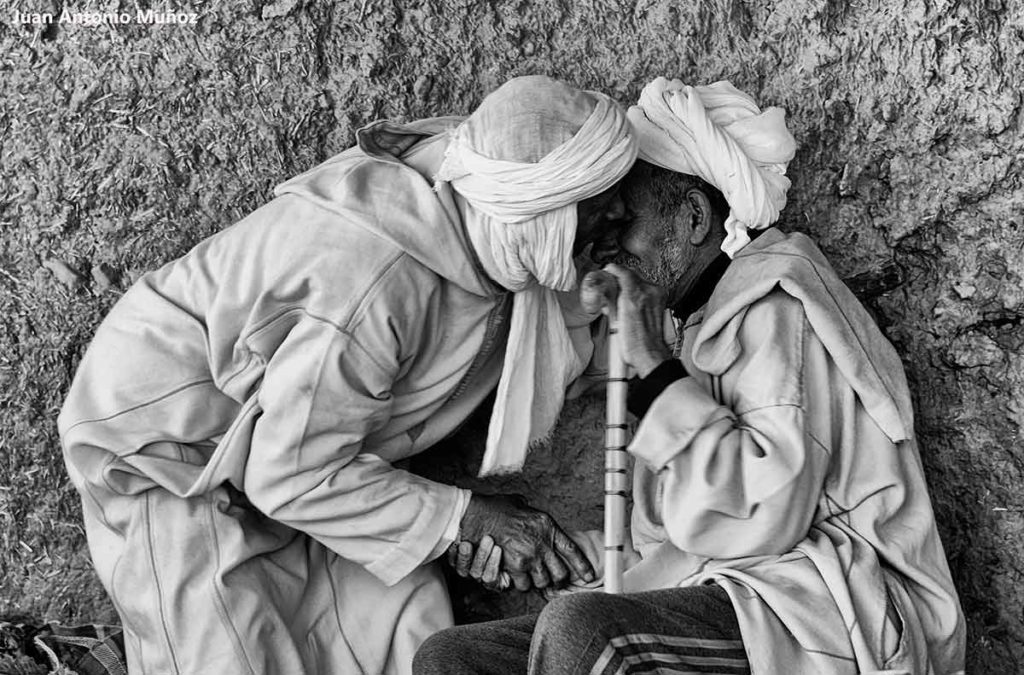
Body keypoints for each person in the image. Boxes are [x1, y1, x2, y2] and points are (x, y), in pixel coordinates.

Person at [58, 75, 640, 674]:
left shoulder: (489, 208)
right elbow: (290, 475)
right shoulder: (376, 287)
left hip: (309, 450)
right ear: (532, 206)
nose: (621, 213)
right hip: (173, 452)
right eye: (598, 199)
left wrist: (458, 525)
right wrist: (464, 520)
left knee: (408, 636)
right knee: (227, 654)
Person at [414, 79, 966, 674]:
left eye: (624, 222)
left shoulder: (775, 306)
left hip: (830, 606)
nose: (604, 247)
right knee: (456, 658)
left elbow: (762, 518)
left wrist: (653, 368)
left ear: (695, 216)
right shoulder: (689, 325)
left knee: (589, 636)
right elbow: (676, 533)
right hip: (731, 589)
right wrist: (583, 561)